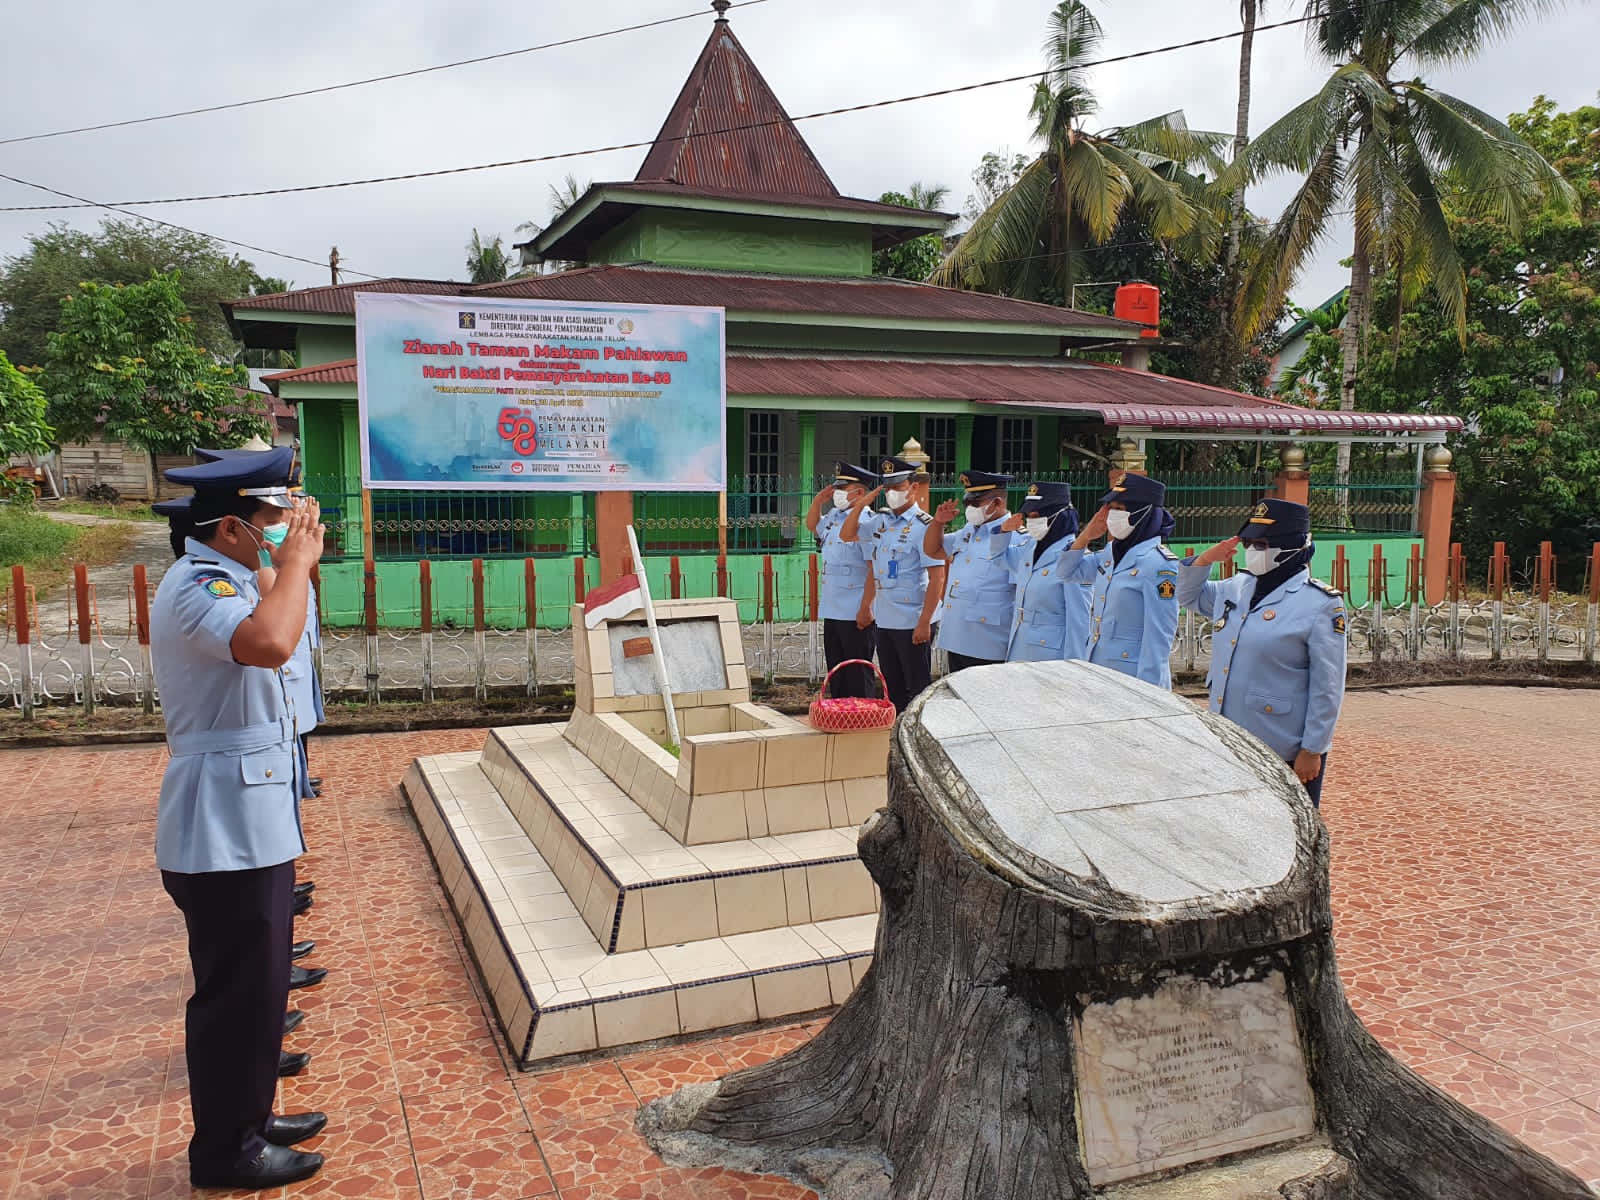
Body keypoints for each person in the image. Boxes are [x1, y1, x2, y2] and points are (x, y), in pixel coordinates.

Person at [151, 447, 329, 1189]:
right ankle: (227, 1150)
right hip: (221, 824)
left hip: (247, 818)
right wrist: (292, 566)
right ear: (231, 527)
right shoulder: (197, 588)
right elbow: (270, 642)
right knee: (233, 997)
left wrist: (286, 564)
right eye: (272, 521)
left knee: (258, 988)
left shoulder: (225, 573)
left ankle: (249, 1118)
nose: (286, 530)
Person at [1178, 498, 1348, 807]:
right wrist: (1205, 559)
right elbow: (1188, 596)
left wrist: (1313, 749)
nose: (1253, 550)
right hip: (1229, 737)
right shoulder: (1236, 587)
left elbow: (1328, 686)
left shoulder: (1320, 604)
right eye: (1250, 542)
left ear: (1290, 546)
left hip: (1281, 744)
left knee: (1289, 833)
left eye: (1263, 543)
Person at [840, 456, 946, 712]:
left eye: (897, 487)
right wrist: (861, 505)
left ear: (913, 487)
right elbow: (846, 534)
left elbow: (937, 577)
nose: (891, 493)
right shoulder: (881, 521)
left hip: (913, 619)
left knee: (917, 687)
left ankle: (916, 737)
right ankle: (895, 734)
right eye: (887, 487)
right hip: (885, 618)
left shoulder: (925, 526)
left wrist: (925, 622)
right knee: (891, 684)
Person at [1062, 473, 1181, 688]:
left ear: (1143, 513)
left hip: (1132, 680)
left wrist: (1148, 692)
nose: (1112, 515)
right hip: (1099, 670)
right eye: (1111, 508)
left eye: (1119, 509)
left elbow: (1158, 636)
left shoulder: (1159, 564)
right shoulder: (1110, 554)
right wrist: (1086, 535)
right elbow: (1066, 572)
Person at [925, 471, 1024, 672]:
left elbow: (1022, 595)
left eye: (975, 503)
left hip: (989, 642)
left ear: (997, 503)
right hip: (958, 635)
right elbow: (933, 550)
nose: (969, 508)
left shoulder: (1016, 538)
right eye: (967, 503)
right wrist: (938, 523)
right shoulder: (968, 531)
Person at [804, 462, 879, 698]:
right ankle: (840, 714)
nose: (837, 493)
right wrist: (817, 502)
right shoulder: (835, 516)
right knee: (836, 669)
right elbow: (812, 527)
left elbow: (873, 569)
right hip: (833, 605)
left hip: (856, 607)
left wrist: (866, 607)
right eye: (837, 487)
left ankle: (862, 716)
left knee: (857, 670)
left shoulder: (868, 521)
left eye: (843, 488)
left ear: (860, 493)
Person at [1002, 481, 1093, 662]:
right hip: (1019, 650)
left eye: (1038, 515)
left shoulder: (1074, 558)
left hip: (1050, 659)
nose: (1031, 520)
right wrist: (1002, 532)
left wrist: (1075, 666)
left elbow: (1078, 622)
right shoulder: (1029, 549)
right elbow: (999, 559)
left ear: (1058, 516)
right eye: (1030, 515)